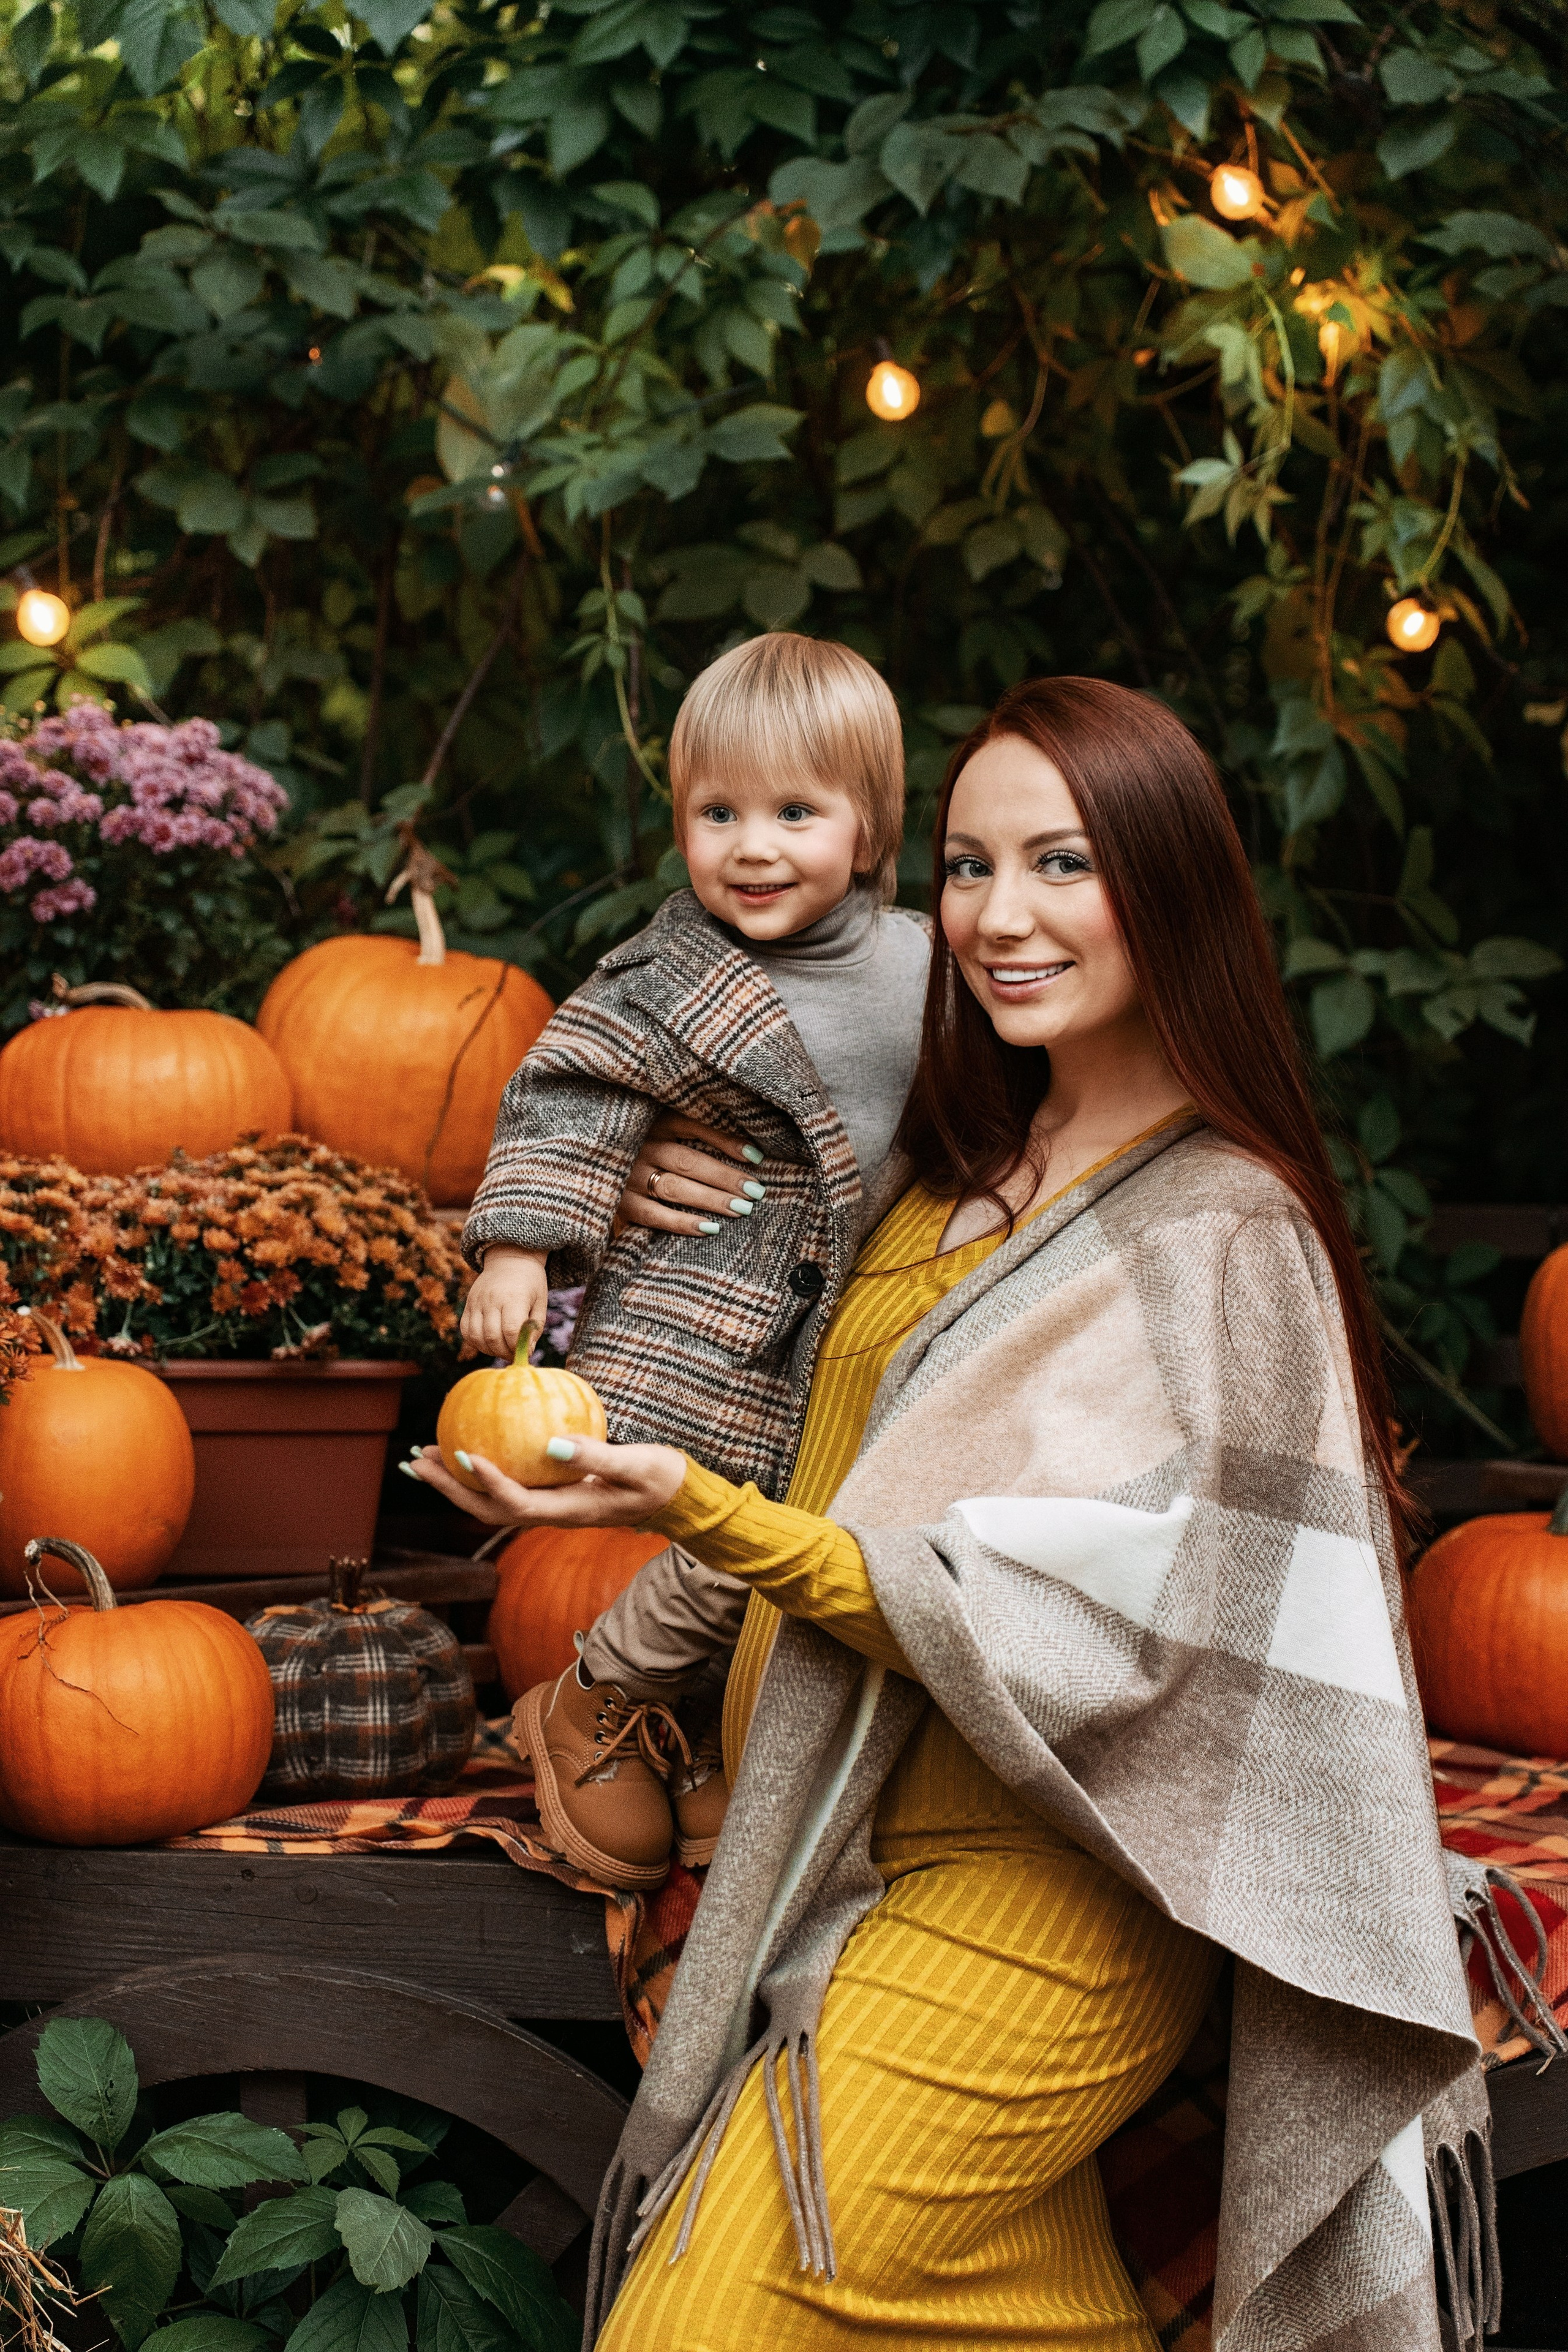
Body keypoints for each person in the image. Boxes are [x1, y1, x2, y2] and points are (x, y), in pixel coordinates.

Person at [407, 676, 1485, 2352]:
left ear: (1166, 886)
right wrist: (636, 1180)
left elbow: (1095, 1621)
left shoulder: (1221, 1231)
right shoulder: (942, 1179)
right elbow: (817, 1422)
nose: (999, 916)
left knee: (691, 2323)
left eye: (1061, 863)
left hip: (1047, 1905)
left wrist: (694, 1506)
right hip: (841, 1861)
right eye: (970, 867)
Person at [441, 633, 929, 1892]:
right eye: (718, 814)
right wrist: (518, 1250)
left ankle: (703, 1724)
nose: (751, 847)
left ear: (870, 829)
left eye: (794, 813)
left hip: (863, 1325)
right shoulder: (662, 979)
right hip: (708, 1307)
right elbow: (568, 1096)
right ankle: (606, 1700)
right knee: (714, 1516)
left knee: (816, 1537)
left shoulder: (935, 970)